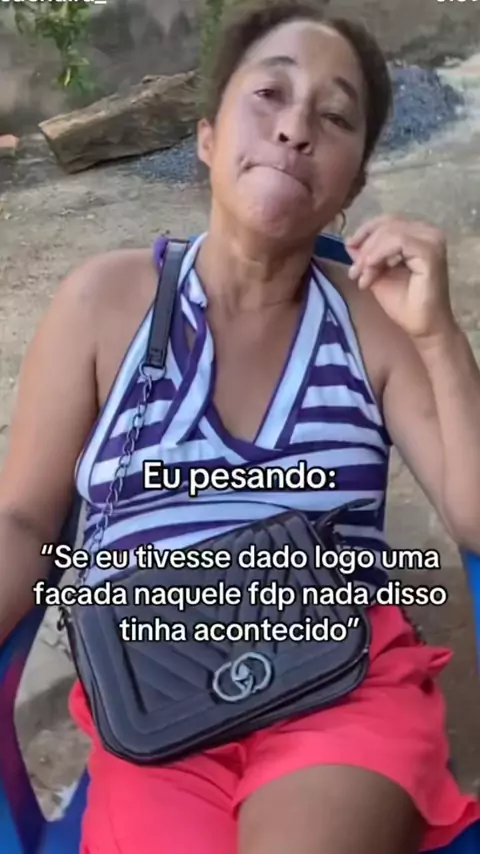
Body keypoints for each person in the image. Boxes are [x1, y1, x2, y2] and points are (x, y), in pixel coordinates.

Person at [1, 1, 480, 852]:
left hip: (337, 678)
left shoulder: (372, 324)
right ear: (208, 136)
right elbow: (23, 522)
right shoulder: (104, 303)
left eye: (335, 117)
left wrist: (439, 336)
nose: (295, 129)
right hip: (155, 695)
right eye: (269, 95)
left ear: (353, 183)